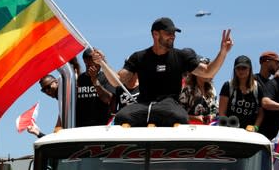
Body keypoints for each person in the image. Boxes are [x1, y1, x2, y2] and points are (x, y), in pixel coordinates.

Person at [92, 17, 233, 127]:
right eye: (168, 33)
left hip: (169, 104)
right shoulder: (139, 57)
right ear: (155, 34)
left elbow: (208, 72)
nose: (172, 36)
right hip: (143, 104)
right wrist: (103, 64)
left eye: (174, 33)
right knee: (122, 117)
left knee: (180, 117)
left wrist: (223, 52)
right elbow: (117, 81)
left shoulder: (181, 56)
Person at [218, 55, 264, 131]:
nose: (241, 71)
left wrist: (255, 127)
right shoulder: (228, 86)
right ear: (234, 70)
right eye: (238, 68)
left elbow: (261, 113)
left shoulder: (257, 87)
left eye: (244, 68)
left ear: (250, 69)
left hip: (249, 132)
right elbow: (222, 113)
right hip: (230, 130)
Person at [76, 48, 115, 127]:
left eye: (99, 58)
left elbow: (107, 99)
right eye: (95, 58)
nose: (98, 61)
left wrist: (95, 81)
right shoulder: (79, 79)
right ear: (85, 61)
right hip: (80, 126)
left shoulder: (106, 77)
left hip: (101, 126)